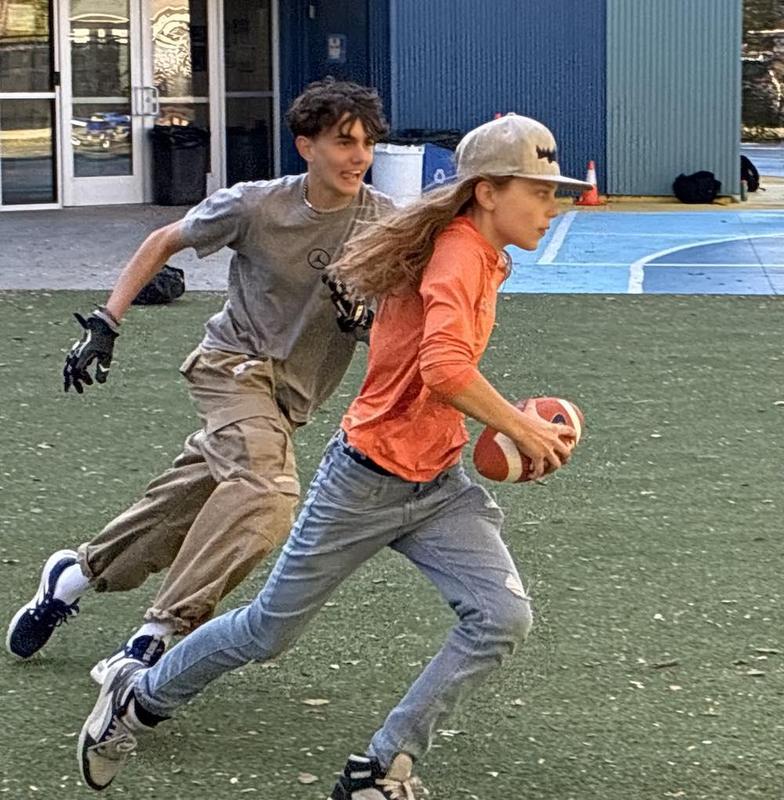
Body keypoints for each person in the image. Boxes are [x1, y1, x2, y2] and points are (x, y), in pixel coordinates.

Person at [75, 113, 590, 797]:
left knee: (501, 617)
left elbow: (429, 362)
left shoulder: (478, 251)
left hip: (436, 482)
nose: (552, 206)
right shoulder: (461, 255)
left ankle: (382, 767)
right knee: (265, 633)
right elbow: (443, 368)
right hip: (366, 482)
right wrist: (519, 429)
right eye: (540, 190)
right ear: (488, 191)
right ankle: (136, 698)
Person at [5, 78, 393, 682]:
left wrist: (371, 319)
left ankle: (75, 575)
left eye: (368, 142)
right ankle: (158, 635)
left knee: (184, 504)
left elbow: (400, 312)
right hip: (231, 369)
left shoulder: (383, 223)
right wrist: (106, 323)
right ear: (304, 146)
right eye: (344, 141)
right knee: (266, 491)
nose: (359, 156)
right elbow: (164, 240)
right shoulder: (255, 205)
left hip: (291, 398)